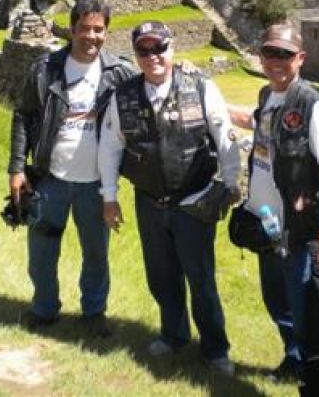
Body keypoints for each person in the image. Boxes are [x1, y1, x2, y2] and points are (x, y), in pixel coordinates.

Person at [98, 21, 240, 376]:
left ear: (172, 48)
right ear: (136, 55)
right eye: (144, 51)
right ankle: (173, 335)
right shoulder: (124, 96)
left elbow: (225, 138)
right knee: (161, 277)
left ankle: (215, 349)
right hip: (148, 202)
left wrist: (228, 184)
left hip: (193, 202)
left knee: (201, 280)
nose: (152, 57)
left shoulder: (201, 87)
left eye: (158, 48)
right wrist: (109, 197)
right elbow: (110, 148)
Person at [8, 0, 135, 334]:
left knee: (96, 255)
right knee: (42, 252)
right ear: (72, 30)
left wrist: (181, 69)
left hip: (96, 184)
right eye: (85, 29)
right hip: (51, 178)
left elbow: (154, 86)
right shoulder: (46, 69)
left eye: (99, 30)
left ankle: (94, 314)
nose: (92, 37)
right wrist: (17, 168)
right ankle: (44, 309)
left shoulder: (119, 72)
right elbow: (23, 116)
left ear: (106, 32)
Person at [228, 21, 319, 384]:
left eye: (285, 54)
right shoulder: (267, 96)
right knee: (278, 304)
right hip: (266, 226)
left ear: (301, 58)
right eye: (269, 52)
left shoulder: (314, 107)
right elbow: (254, 121)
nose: (276, 60)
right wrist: (209, 98)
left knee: (303, 308)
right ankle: (294, 362)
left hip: (299, 231)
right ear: (260, 55)